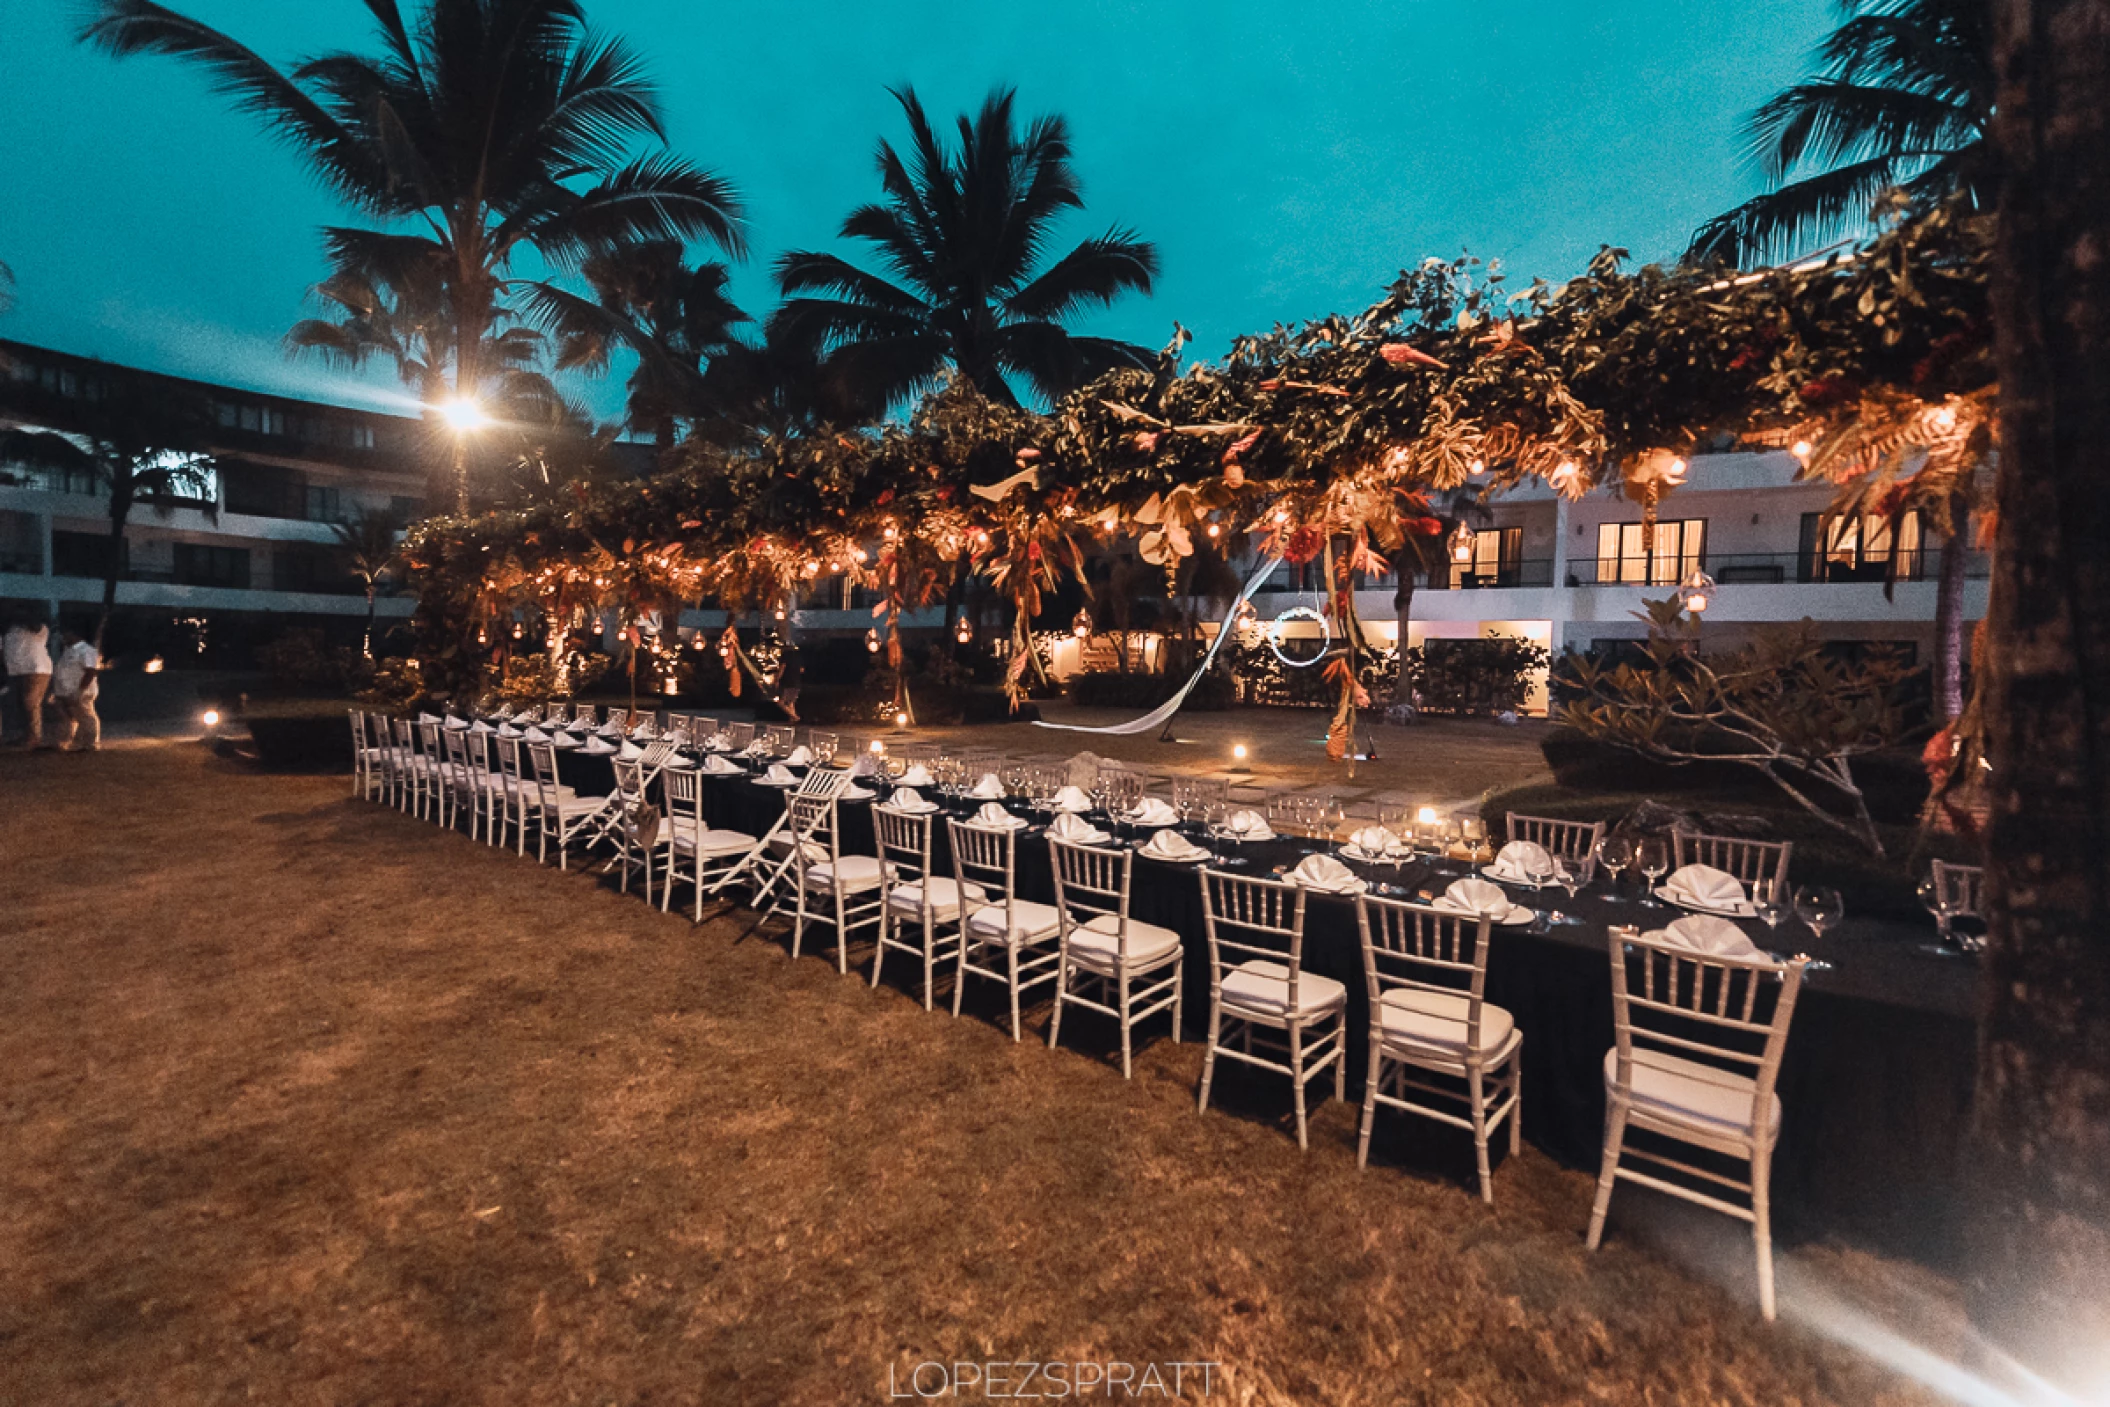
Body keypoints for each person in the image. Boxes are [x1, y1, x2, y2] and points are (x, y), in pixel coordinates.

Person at [48, 626, 101, 752]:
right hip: (65, 691)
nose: (63, 637)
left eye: (65, 634)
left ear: (75, 634)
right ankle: (64, 743)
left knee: (86, 717)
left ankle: (90, 744)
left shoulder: (87, 651)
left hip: (80, 691)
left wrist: (80, 691)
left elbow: (91, 672)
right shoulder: (68, 650)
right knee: (67, 718)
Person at [3, 613, 52, 749]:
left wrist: (24, 618)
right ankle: (28, 735)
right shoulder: (10, 632)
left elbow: (35, 625)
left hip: (35, 670)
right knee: (22, 705)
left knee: (30, 703)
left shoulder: (38, 629)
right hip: (17, 671)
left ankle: (34, 736)